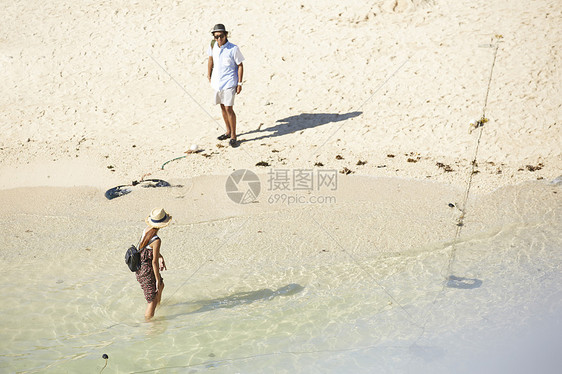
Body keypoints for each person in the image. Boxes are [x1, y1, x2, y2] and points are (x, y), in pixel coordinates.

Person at [207, 23, 245, 147]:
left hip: (229, 82)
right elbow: (210, 59)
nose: (218, 39)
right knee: (222, 106)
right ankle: (228, 131)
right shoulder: (213, 46)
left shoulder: (233, 48)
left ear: (226, 35)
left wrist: (239, 83)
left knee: (229, 108)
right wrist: (208, 74)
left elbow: (240, 65)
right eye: (216, 36)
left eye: (221, 36)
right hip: (217, 82)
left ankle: (234, 135)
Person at [136, 208, 171, 320]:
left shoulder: (146, 230)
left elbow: (146, 248)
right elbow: (154, 262)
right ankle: (149, 325)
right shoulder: (157, 240)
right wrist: (156, 279)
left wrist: (160, 257)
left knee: (161, 286)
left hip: (140, 266)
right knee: (151, 301)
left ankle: (158, 307)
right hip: (146, 270)